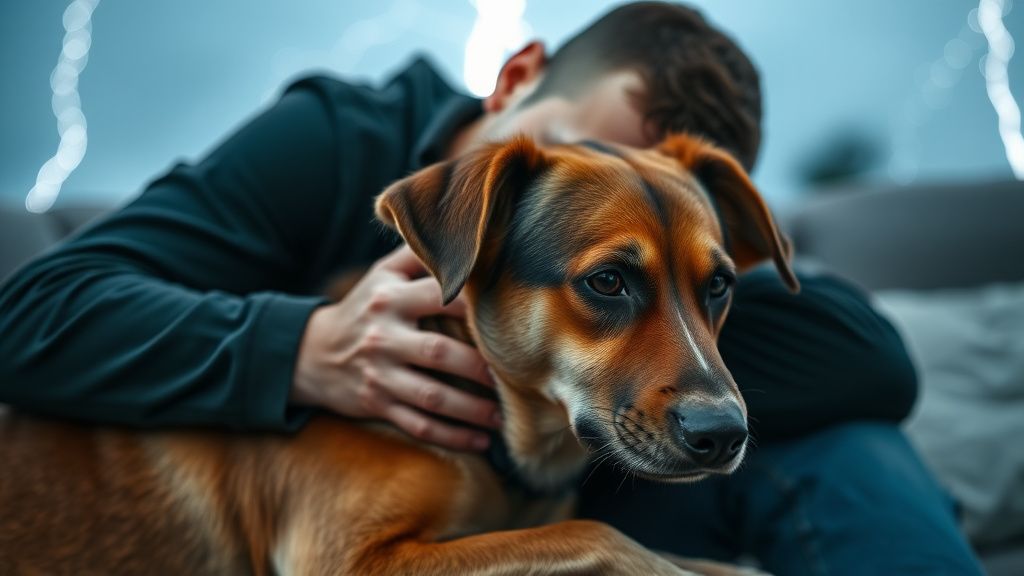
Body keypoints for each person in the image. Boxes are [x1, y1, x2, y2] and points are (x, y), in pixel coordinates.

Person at [0, 2, 983, 573]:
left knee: (844, 446)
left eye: (639, 190)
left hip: (556, 464)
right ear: (512, 76)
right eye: (576, 161)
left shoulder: (666, 242)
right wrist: (298, 350)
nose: (594, 186)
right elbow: (32, 316)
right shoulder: (339, 141)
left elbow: (862, 355)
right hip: (329, 492)